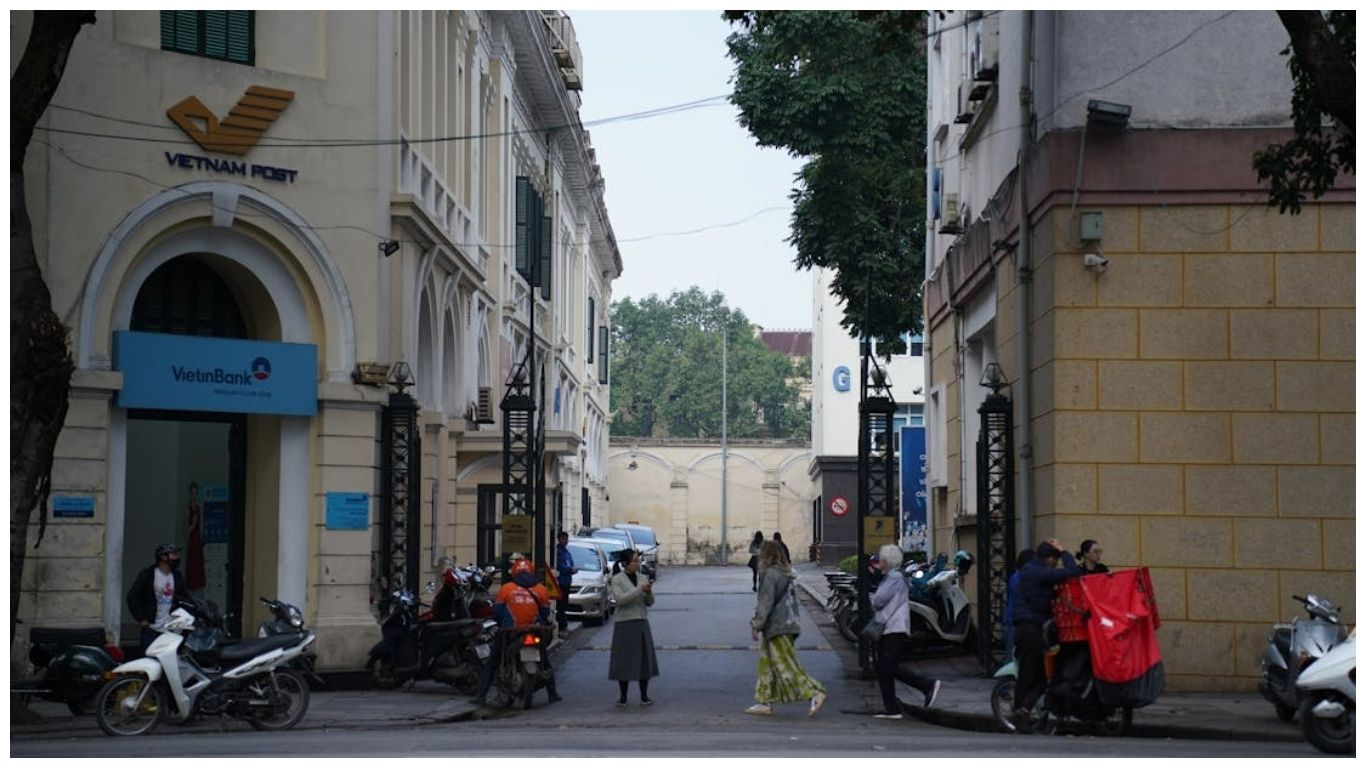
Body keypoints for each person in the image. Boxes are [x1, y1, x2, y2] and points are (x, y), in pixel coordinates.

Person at [746, 540, 826, 718]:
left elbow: (765, 602)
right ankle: (764, 701)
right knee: (767, 664)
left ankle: (814, 692)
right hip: (788, 624)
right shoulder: (785, 573)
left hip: (777, 627)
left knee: (785, 666)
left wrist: (756, 624)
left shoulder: (769, 574)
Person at [471, 555, 560, 706]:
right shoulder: (541, 589)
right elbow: (545, 613)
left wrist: (502, 622)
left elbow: (498, 612)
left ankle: (480, 696)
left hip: (510, 632)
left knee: (492, 663)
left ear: (513, 573)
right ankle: (552, 693)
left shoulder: (507, 589)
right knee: (544, 660)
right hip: (534, 631)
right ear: (531, 572)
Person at [1011, 539, 1081, 731]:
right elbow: (1072, 573)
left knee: (1041, 677)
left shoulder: (1032, 569)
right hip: (1029, 629)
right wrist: (1065, 552)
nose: (1056, 563)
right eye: (1056, 559)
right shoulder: (1039, 572)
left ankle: (1023, 709)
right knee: (1030, 674)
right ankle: (1020, 711)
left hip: (1032, 628)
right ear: (1049, 559)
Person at [869, 544, 942, 719]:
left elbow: (879, 600)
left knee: (888, 666)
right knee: (883, 668)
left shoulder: (894, 578)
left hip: (894, 627)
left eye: (882, 560)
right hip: (891, 627)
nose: (880, 564)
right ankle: (891, 707)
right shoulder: (894, 577)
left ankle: (926, 685)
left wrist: (874, 598)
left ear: (888, 561)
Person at [609, 549, 659, 706]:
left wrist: (649, 592)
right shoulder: (617, 580)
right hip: (624, 623)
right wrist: (639, 590)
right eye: (634, 561)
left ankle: (644, 696)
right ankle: (623, 696)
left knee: (643, 660)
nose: (637, 563)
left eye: (638, 560)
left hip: (641, 621)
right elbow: (620, 600)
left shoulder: (642, 578)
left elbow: (649, 602)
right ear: (625, 563)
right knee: (623, 660)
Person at [126, 543, 192, 653]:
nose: (177, 558)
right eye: (173, 554)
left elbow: (185, 598)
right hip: (152, 628)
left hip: (172, 629)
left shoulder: (177, 576)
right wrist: (142, 619)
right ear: (163, 556)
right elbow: (133, 597)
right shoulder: (148, 574)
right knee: (150, 660)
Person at [1002, 548, 1034, 665]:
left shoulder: (1015, 577)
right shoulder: (1020, 578)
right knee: (1013, 657)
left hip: (1011, 620)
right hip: (1015, 622)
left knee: (1012, 654)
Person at [184, 483, 206, 593]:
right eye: (192, 493)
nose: (194, 496)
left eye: (195, 493)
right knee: (192, 561)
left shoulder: (199, 508)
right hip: (191, 538)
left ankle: (198, 584)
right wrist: (192, 525)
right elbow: (187, 528)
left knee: (198, 561)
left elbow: (201, 524)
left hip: (197, 539)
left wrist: (201, 538)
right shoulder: (188, 509)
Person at [555, 531, 578, 631]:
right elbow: (560, 566)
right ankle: (561, 625)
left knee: (564, 604)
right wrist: (569, 570)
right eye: (563, 539)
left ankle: (563, 624)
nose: (565, 541)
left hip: (567, 581)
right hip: (561, 582)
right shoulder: (558, 552)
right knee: (560, 605)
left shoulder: (566, 552)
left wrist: (572, 569)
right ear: (559, 539)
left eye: (566, 539)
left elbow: (570, 563)